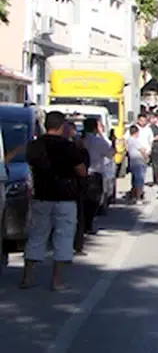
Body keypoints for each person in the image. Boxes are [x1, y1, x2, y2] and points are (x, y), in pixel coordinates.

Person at [18, 111, 87, 290]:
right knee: (63, 237)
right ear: (62, 126)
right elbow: (82, 171)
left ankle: (27, 277)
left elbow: (28, 162)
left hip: (41, 195)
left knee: (36, 235)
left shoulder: (35, 145)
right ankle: (56, 280)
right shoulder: (68, 147)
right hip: (65, 197)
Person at [125, 124, 149, 202]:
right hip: (139, 162)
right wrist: (146, 157)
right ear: (136, 132)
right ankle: (138, 197)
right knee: (139, 181)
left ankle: (133, 196)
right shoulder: (135, 140)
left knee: (135, 180)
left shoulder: (129, 140)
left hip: (133, 162)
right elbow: (141, 150)